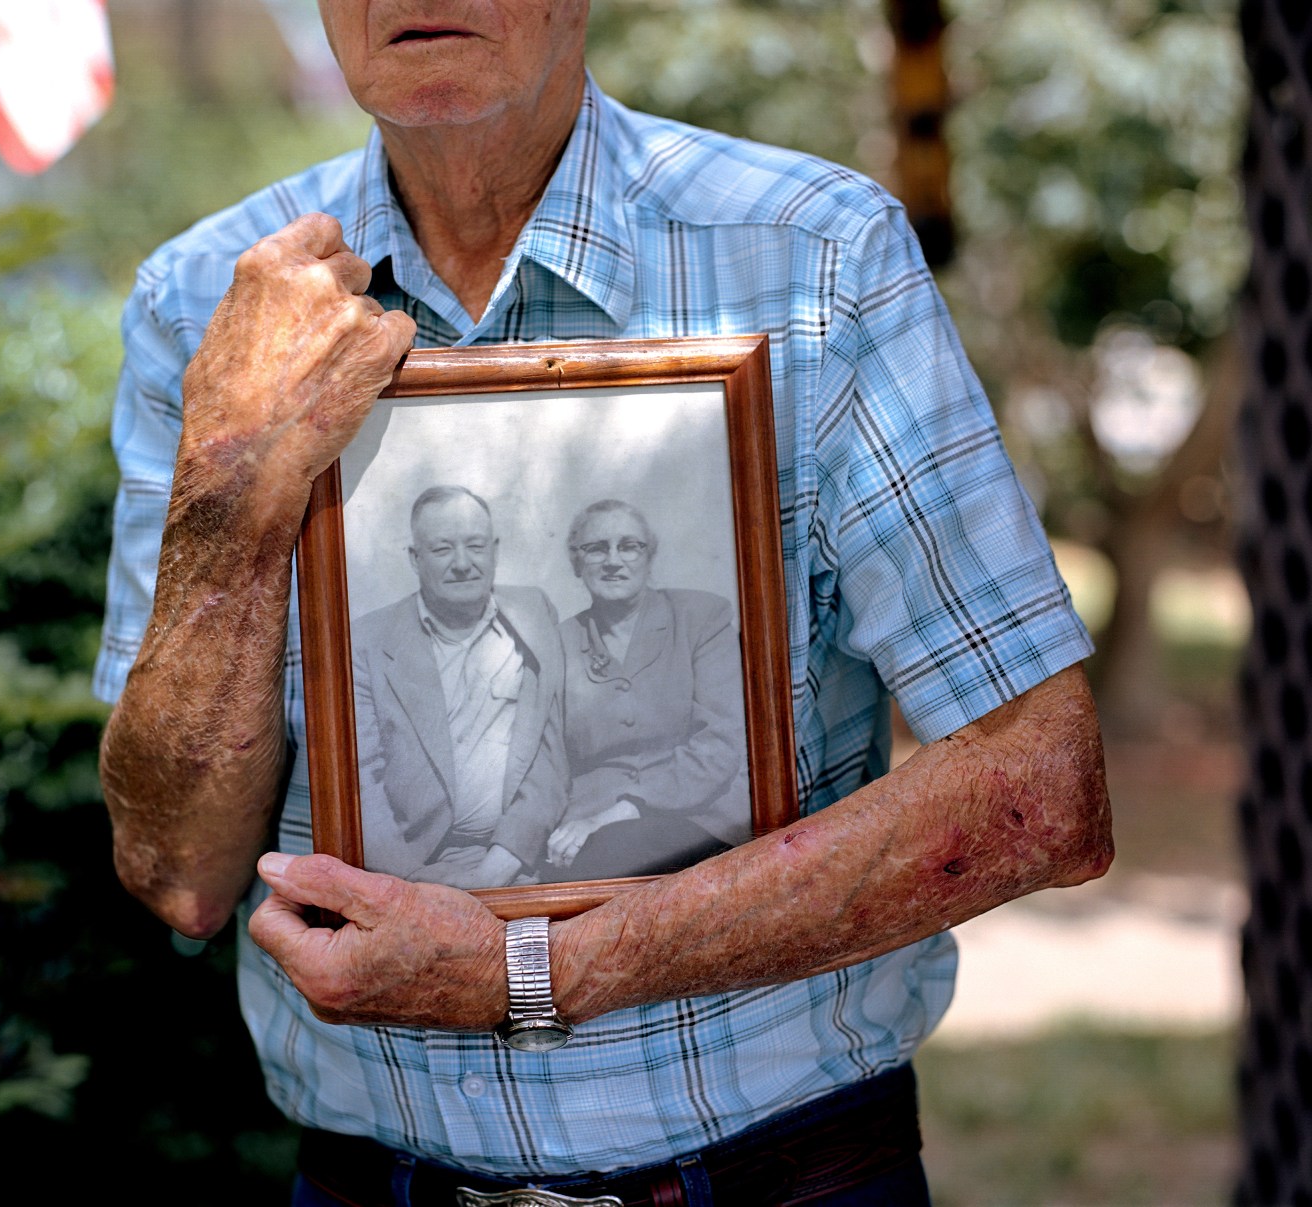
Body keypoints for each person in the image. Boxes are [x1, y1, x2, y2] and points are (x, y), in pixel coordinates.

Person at [94, 2, 1112, 1203]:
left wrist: (528, 971)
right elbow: (179, 871)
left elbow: (1037, 793)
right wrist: (234, 475)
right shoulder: (206, 301)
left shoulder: (811, 254)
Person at [351, 485, 567, 888]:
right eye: (442, 549)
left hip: (516, 858)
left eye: (476, 545)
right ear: (415, 559)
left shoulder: (535, 613)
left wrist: (504, 861)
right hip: (414, 866)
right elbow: (360, 782)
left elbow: (550, 752)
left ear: (495, 550)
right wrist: (409, 882)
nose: (463, 563)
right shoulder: (367, 641)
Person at [546, 499, 751, 882]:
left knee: (612, 857)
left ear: (649, 556)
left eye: (628, 546)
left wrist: (619, 811)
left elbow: (721, 743)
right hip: (587, 822)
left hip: (699, 812)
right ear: (576, 563)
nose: (613, 560)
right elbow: (549, 762)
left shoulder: (701, 617)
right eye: (596, 548)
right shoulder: (558, 641)